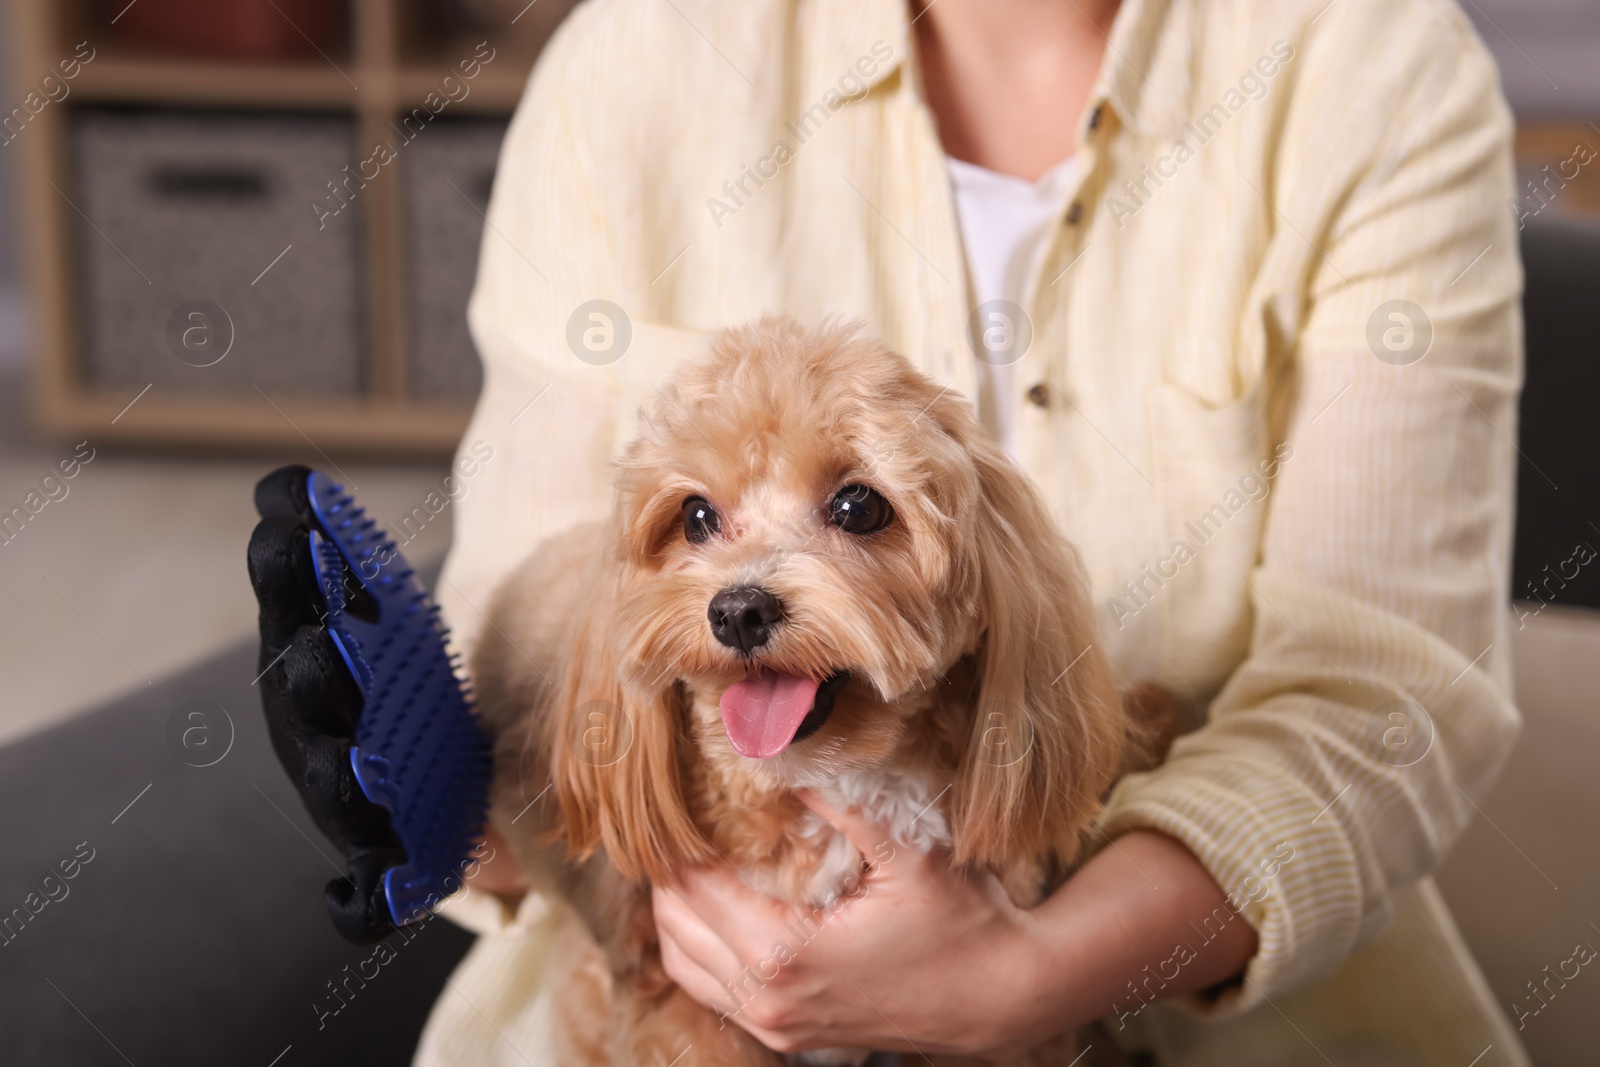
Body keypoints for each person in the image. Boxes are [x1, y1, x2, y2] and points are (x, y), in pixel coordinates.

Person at [256, 0, 1531, 1062]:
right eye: (704, 516)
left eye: (855, 507)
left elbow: (1383, 696)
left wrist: (1032, 974)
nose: (745, 577)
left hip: (1228, 999)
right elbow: (534, 630)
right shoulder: (637, 60)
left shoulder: (1370, 68)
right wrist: (459, 804)